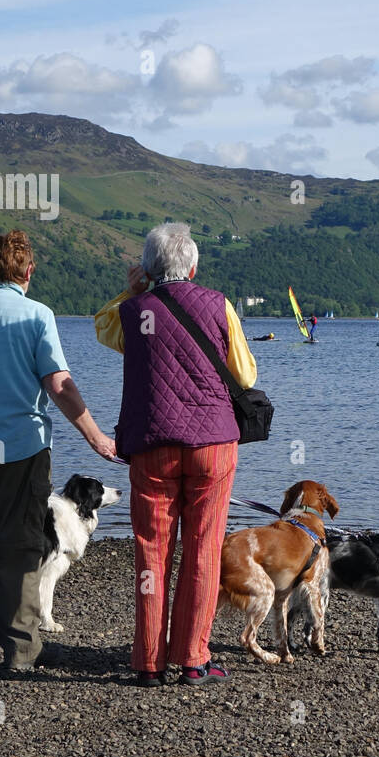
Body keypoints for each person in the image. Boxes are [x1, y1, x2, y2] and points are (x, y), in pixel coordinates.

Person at [0, 230, 115, 671]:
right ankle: (21, 653)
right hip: (20, 452)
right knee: (19, 550)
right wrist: (96, 437)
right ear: (28, 271)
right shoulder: (37, 315)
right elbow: (58, 385)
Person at [95, 223, 257, 687]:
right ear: (193, 266)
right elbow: (244, 375)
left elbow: (104, 330)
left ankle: (148, 664)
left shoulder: (132, 311)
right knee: (203, 550)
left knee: (151, 552)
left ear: (148, 268)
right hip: (212, 445)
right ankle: (194, 660)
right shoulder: (219, 305)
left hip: (151, 445)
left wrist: (131, 290)